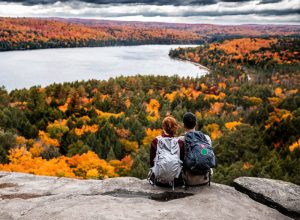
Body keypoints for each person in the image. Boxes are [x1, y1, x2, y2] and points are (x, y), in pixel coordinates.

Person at [149, 116, 184, 187]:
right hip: (176, 181)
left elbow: (152, 163)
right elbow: (182, 162)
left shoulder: (156, 141)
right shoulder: (180, 142)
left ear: (163, 127)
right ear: (174, 128)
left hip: (159, 181)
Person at [182, 112, 214, 186]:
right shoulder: (206, 138)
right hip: (205, 179)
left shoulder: (181, 140)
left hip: (189, 180)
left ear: (184, 125)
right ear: (195, 124)